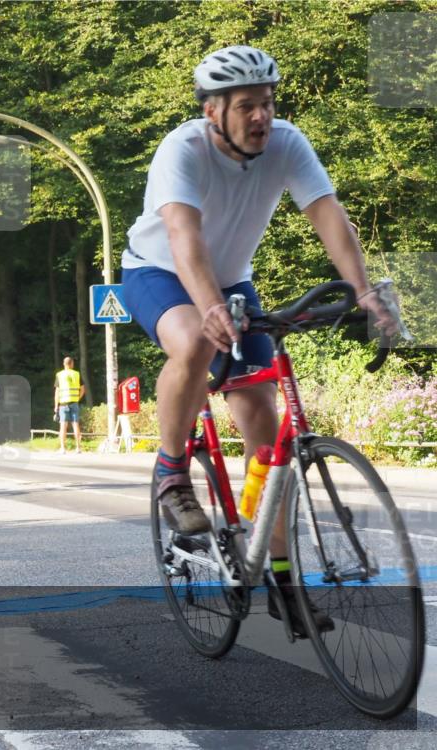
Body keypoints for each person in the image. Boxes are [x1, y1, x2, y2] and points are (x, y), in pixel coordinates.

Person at [121, 45, 396, 636]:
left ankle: (280, 578)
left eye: (267, 102)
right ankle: (172, 469)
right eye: (246, 105)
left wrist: (364, 291)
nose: (261, 116)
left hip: (231, 282)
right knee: (194, 342)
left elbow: (329, 215)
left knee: (266, 439)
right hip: (159, 271)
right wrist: (209, 308)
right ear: (212, 111)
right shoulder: (182, 149)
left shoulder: (288, 144)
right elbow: (183, 237)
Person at [53, 356, 86, 454]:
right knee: (75, 424)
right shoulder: (77, 374)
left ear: (64, 364)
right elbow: (83, 389)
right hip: (74, 403)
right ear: (72, 364)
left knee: (63, 426)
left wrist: (56, 406)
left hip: (63, 404)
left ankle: (63, 448)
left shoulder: (59, 375)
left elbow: (57, 392)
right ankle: (78, 448)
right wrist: (77, 398)